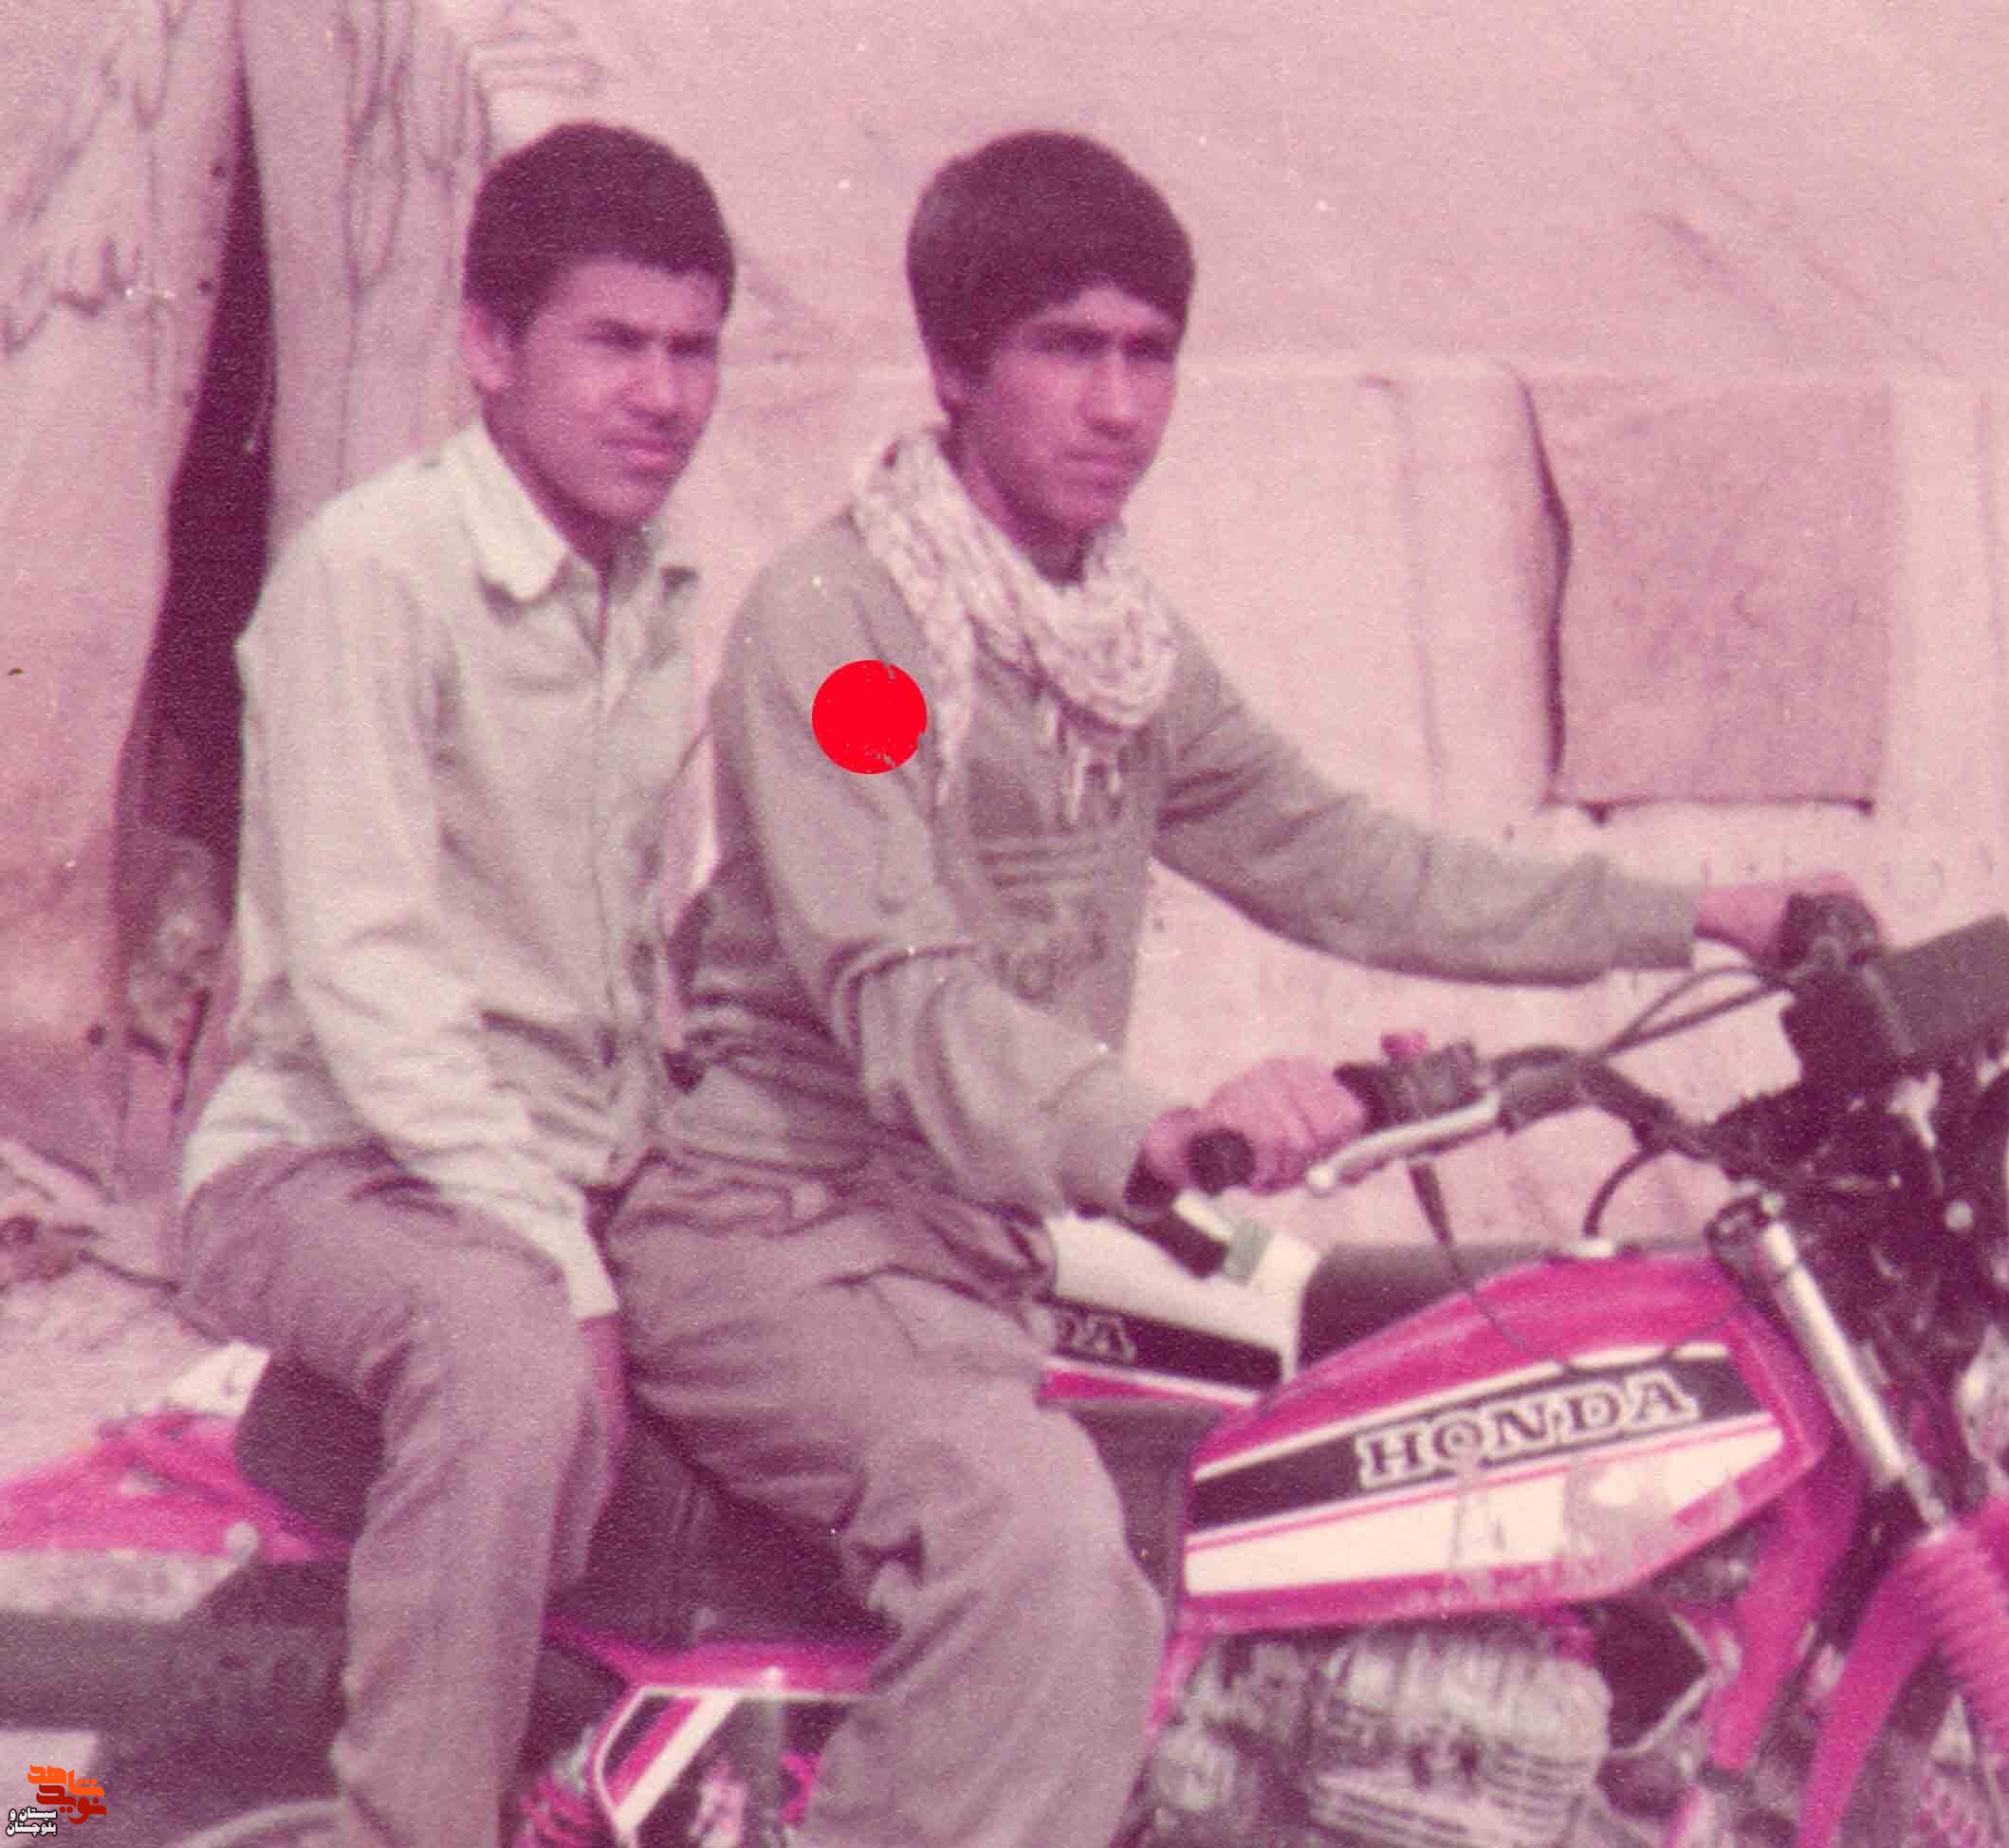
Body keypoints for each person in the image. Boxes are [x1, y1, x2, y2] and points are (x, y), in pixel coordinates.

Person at [605, 128, 1850, 1848]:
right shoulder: (855, 639)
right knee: (1045, 1559)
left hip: (973, 1255)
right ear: (956, 367)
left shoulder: (1110, 646)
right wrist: (1163, 1128)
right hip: (785, 1240)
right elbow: (902, 983)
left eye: (1151, 353)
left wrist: (1702, 913)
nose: (1119, 405)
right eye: (1068, 349)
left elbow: (1343, 856)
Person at [174, 121, 734, 1848]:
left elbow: (644, 947)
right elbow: (369, 976)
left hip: (560, 1163)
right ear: (488, 344)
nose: (662, 394)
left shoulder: (656, 589)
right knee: (507, 1364)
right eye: (613, 342)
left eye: (695, 349)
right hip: (330, 1163)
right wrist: (565, 1264)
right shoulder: (377, 570)